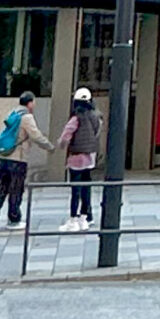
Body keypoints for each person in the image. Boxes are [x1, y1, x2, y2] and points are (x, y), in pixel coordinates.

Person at [0, 90, 52, 229]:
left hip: (3, 156)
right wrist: (49, 146)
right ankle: (14, 219)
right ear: (29, 103)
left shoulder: (13, 113)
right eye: (33, 101)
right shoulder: (27, 117)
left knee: (1, 188)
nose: (34, 104)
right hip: (17, 159)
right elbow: (36, 136)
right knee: (16, 189)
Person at [57, 88, 103, 232]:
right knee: (86, 189)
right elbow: (96, 133)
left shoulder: (76, 118)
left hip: (76, 158)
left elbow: (65, 137)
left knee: (75, 190)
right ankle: (85, 218)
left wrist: (62, 145)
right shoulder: (96, 117)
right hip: (90, 157)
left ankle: (73, 220)